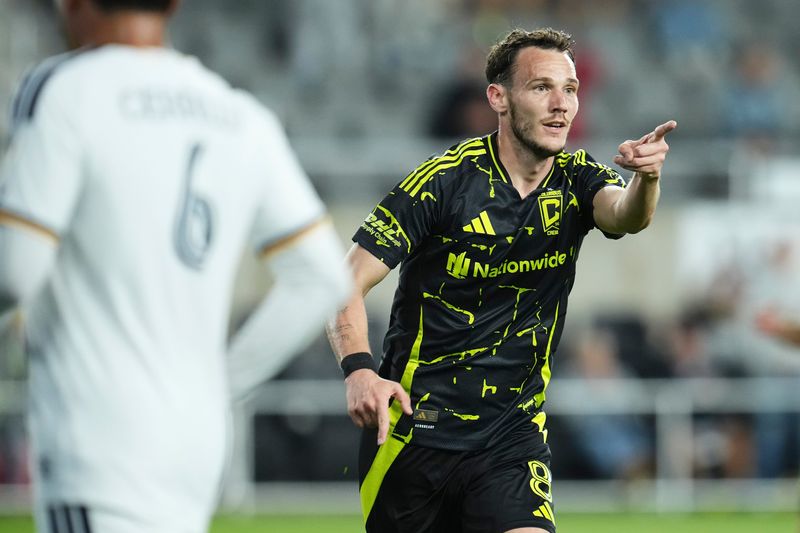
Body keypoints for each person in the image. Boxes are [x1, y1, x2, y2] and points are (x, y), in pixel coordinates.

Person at [0, 0, 351, 531]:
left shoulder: (63, 90)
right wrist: (223, 383)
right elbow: (322, 277)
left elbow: (13, 271)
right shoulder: (237, 113)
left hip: (99, 443)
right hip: (195, 446)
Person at [326, 27, 676, 533]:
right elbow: (344, 283)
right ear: (499, 98)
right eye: (541, 87)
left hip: (511, 437)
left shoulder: (578, 177)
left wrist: (648, 178)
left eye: (570, 89)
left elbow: (626, 215)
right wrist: (359, 371)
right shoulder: (442, 182)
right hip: (415, 434)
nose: (561, 105)